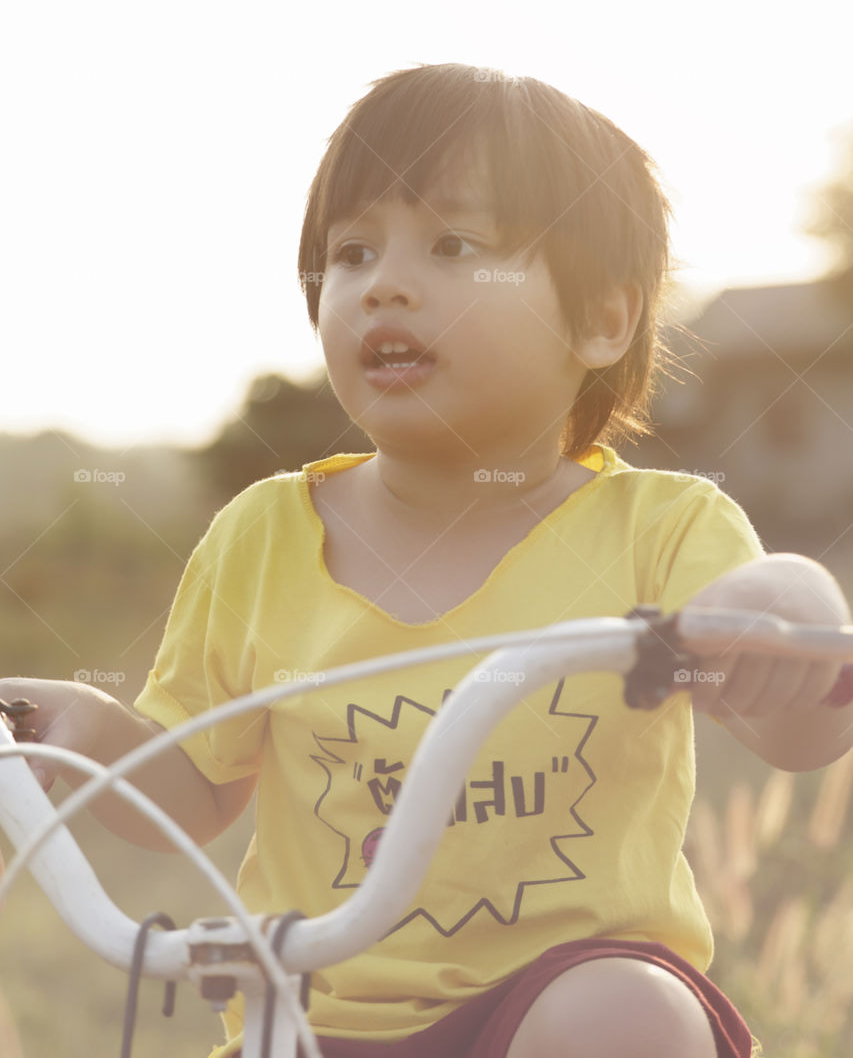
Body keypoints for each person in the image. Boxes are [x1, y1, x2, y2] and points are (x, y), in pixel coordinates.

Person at [3, 63, 852, 1058]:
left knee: (621, 1014)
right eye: (351, 252)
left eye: (455, 245)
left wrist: (783, 604)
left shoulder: (657, 528)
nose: (384, 284)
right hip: (307, 1011)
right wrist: (86, 731)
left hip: (544, 1008)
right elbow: (192, 790)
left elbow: (796, 732)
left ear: (602, 318)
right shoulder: (261, 536)